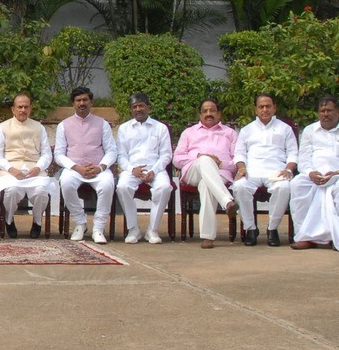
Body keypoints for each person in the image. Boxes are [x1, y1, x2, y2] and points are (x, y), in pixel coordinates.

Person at [289, 96, 339, 251]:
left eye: (330, 110)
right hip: (314, 176)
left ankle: (338, 237)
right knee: (297, 183)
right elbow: (303, 158)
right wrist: (310, 173)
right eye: (322, 111)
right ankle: (304, 236)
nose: (326, 114)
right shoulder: (310, 130)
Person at [231, 93, 298, 247]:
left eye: (268, 106)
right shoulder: (247, 130)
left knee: (283, 187)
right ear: (255, 109)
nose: (265, 109)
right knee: (240, 186)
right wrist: (241, 168)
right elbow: (239, 153)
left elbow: (293, 152)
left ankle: (272, 229)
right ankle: (251, 229)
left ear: (274, 108)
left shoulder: (285, 128)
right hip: (252, 170)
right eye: (261, 106)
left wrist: (288, 169)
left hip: (276, 170)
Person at [172, 98, 238, 249]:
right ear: (200, 114)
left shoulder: (230, 134)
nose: (209, 114)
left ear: (219, 114)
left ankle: (207, 237)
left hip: (220, 173)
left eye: (212, 110)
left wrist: (220, 163)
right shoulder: (189, 133)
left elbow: (237, 161)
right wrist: (199, 157)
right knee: (205, 160)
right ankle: (227, 200)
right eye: (205, 111)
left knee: (206, 185)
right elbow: (177, 158)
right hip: (193, 171)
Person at [54, 86, 116, 244]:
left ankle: (98, 228)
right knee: (66, 183)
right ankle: (80, 223)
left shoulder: (102, 124)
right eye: (78, 100)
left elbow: (112, 151)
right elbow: (59, 154)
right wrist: (76, 167)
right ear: (73, 104)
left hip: (98, 169)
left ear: (91, 102)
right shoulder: (64, 125)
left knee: (107, 185)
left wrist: (100, 167)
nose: (82, 103)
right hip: (74, 169)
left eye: (85, 100)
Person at [113, 92, 173, 244]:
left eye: (141, 106)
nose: (138, 109)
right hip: (132, 170)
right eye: (134, 107)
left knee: (165, 187)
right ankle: (133, 229)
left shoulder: (160, 128)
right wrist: (132, 169)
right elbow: (121, 156)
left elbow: (166, 155)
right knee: (122, 187)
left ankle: (152, 230)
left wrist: (154, 171)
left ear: (148, 108)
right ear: (131, 110)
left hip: (156, 169)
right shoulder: (124, 129)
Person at [0, 93, 53, 239]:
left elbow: (47, 154)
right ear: (13, 109)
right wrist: (11, 169)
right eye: (19, 107)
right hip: (10, 170)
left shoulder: (39, 127)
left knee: (41, 191)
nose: (22, 110)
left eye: (26, 107)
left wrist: (38, 168)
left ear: (30, 109)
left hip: (34, 170)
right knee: (11, 191)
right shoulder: (3, 127)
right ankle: (9, 220)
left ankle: (37, 222)